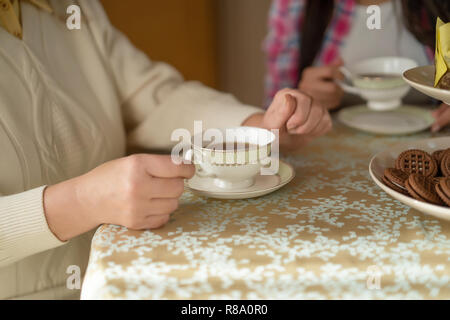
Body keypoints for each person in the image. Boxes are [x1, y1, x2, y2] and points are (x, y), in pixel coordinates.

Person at [0, 0, 332, 299]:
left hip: (124, 279)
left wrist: (259, 128)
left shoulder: (73, 7)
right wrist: (82, 202)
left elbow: (151, 96)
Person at [264, 0, 450, 132]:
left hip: (431, 141)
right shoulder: (294, 5)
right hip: (329, 155)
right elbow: (270, 122)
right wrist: (298, 102)